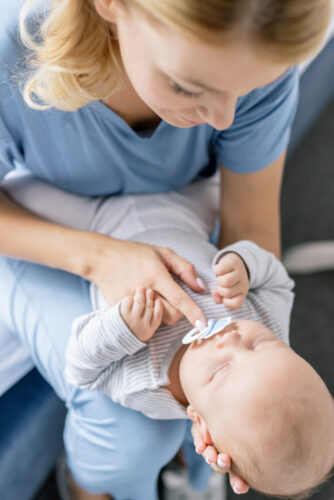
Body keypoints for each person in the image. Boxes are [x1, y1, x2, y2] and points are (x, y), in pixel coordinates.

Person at [0, 0, 331, 498]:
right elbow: (86, 360)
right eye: (188, 87)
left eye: (243, 91)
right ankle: (88, 489)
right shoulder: (15, 51)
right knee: (133, 435)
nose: (222, 117)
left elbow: (251, 226)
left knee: (182, 424)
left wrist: (264, 370)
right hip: (34, 232)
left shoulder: (258, 61)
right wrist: (100, 257)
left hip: (150, 239)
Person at [3, 173, 334, 500]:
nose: (230, 338)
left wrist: (124, 329)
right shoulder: (269, 323)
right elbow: (278, 283)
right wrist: (246, 265)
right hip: (173, 204)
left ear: (200, 424)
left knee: (19, 192)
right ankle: (192, 473)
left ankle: (180, 474)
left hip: (89, 230)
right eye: (259, 344)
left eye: (222, 369)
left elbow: (80, 366)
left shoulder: (145, 385)